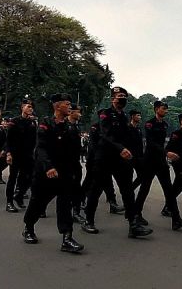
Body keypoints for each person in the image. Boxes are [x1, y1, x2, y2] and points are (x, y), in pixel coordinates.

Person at [82, 86, 152, 238]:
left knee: (127, 191)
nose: (122, 98)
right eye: (119, 95)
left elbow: (127, 137)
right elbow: (106, 135)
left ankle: (133, 225)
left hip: (121, 160)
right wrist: (121, 148)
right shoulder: (105, 115)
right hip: (105, 158)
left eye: (124, 96)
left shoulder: (124, 117)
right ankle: (88, 220)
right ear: (112, 98)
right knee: (95, 190)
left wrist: (134, 155)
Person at [21, 93, 85, 253]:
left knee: (65, 205)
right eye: (67, 104)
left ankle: (67, 238)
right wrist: (48, 167)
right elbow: (41, 148)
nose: (70, 107)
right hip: (45, 173)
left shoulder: (70, 127)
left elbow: (74, 152)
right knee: (38, 203)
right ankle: (28, 228)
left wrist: (74, 172)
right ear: (57, 106)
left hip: (64, 174)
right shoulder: (46, 124)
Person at [135, 101, 182, 230]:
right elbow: (151, 143)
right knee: (144, 189)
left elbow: (161, 143)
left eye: (166, 109)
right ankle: (136, 214)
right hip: (149, 161)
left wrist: (165, 154)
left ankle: (176, 220)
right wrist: (167, 152)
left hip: (161, 161)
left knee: (169, 191)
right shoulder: (149, 124)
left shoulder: (165, 125)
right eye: (163, 109)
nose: (166, 111)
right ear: (156, 109)